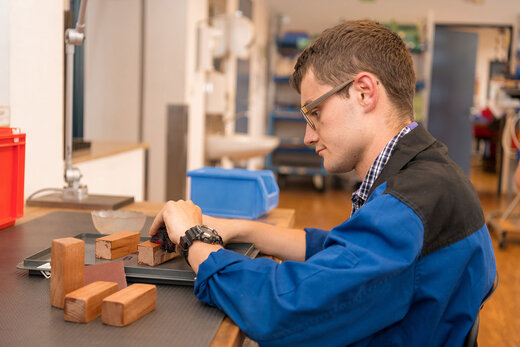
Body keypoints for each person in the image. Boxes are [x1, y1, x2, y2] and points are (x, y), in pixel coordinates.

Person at [150, 20, 496, 346]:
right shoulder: (429, 173)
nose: (307, 136)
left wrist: (193, 240)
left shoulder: (406, 208)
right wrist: (239, 229)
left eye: (314, 112)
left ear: (364, 93)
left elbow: (283, 308)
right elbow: (343, 251)